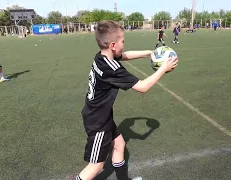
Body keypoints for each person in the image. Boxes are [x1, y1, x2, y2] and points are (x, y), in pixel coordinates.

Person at [75, 20, 178, 180]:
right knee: (96, 166)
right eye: (123, 41)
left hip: (101, 114)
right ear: (113, 45)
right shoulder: (113, 70)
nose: (124, 44)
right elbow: (143, 87)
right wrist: (163, 68)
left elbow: (124, 55)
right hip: (97, 121)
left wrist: (149, 53)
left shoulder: (101, 57)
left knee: (119, 145)